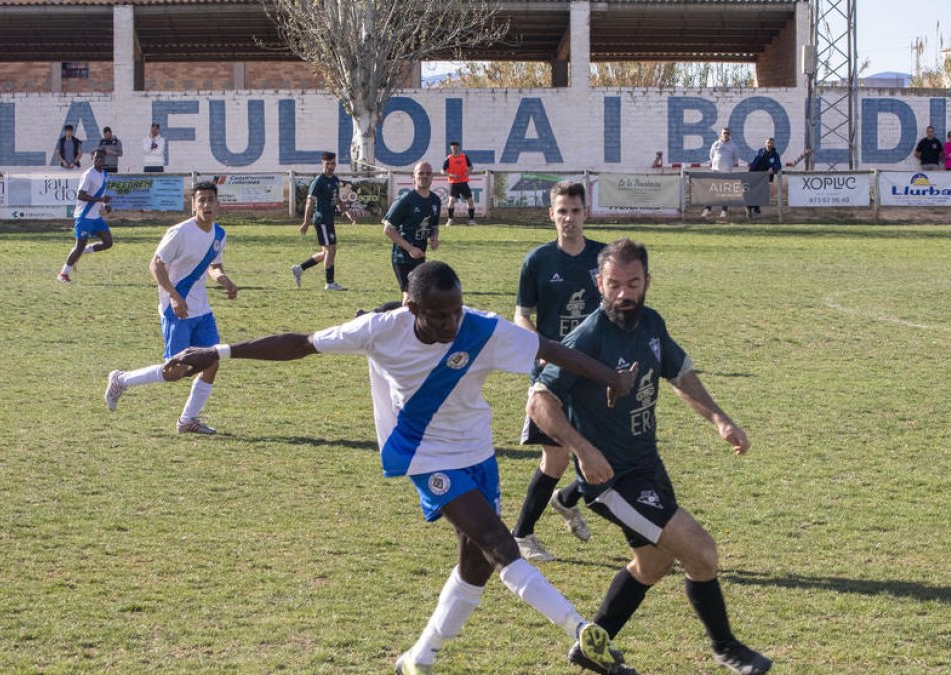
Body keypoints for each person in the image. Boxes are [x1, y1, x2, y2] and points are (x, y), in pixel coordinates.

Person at [165, 260, 639, 675]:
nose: (451, 322)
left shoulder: (482, 328)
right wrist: (218, 352)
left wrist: (611, 377)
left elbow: (548, 349)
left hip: (476, 452)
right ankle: (582, 632)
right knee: (498, 543)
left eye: (456, 310)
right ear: (412, 308)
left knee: (475, 564)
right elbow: (301, 344)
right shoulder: (380, 329)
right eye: (439, 314)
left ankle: (418, 658)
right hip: (422, 454)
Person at [529, 238, 773, 675]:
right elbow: (540, 400)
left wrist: (719, 419)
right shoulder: (588, 337)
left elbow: (680, 375)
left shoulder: (652, 324)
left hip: (647, 467)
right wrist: (583, 451)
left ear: (647, 281)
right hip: (612, 480)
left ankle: (592, 645)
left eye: (633, 283)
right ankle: (726, 647)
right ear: (599, 284)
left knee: (654, 563)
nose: (624, 293)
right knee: (701, 551)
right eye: (614, 284)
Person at [511, 181, 605, 563]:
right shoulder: (538, 260)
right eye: (562, 211)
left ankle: (566, 498)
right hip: (552, 373)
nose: (569, 218)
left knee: (611, 447)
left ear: (587, 213)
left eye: (575, 211)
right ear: (551, 214)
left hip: (595, 369)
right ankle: (522, 535)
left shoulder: (604, 257)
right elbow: (521, 315)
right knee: (557, 457)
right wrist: (540, 348)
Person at [103, 181, 238, 435]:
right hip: (176, 309)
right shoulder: (179, 232)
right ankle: (121, 379)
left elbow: (213, 266)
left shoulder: (219, 234)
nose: (206, 205)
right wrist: (174, 296)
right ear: (193, 204)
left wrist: (224, 280)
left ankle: (187, 420)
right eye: (201, 200)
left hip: (202, 310)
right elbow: (156, 265)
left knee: (212, 361)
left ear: (218, 204)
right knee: (175, 371)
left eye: (210, 199)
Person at [383, 161, 440, 303]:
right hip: (403, 256)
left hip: (420, 255)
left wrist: (434, 237)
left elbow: (434, 226)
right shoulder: (405, 200)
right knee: (410, 297)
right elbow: (388, 229)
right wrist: (410, 248)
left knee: (418, 297)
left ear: (432, 177)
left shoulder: (435, 201)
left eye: (428, 173)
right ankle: (377, 313)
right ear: (413, 176)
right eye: (421, 173)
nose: (424, 176)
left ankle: (374, 312)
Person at [291, 151, 348, 291]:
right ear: (322, 164)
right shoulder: (319, 181)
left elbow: (336, 198)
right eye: (327, 164)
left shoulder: (335, 180)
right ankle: (330, 283)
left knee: (329, 251)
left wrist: (346, 212)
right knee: (330, 251)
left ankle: (300, 268)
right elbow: (309, 202)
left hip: (329, 220)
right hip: (321, 220)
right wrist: (306, 222)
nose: (330, 166)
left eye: (332, 163)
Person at [57, 149, 114, 283]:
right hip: (83, 216)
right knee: (79, 246)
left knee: (108, 242)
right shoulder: (88, 174)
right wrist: (101, 200)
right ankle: (63, 274)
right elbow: (81, 195)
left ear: (105, 159)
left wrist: (104, 206)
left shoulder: (104, 174)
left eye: (101, 157)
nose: (99, 159)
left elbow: (99, 195)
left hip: (95, 217)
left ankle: (84, 251)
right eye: (96, 157)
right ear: (92, 159)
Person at [701, 127, 740, 220]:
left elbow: (736, 158)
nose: (726, 135)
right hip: (715, 171)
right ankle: (708, 209)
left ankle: (724, 210)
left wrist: (728, 165)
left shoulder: (733, 146)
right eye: (724, 133)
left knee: (724, 192)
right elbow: (711, 155)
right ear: (721, 134)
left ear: (729, 135)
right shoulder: (716, 144)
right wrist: (716, 163)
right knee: (712, 191)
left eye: (727, 133)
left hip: (726, 172)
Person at [746, 137, 782, 217]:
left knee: (760, 192)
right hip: (756, 175)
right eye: (768, 143)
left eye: (771, 143)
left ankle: (756, 208)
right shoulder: (760, 152)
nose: (769, 144)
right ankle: (750, 208)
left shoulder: (775, 155)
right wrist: (750, 174)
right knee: (753, 191)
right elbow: (754, 163)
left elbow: (779, 165)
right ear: (765, 144)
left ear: (773, 144)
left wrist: (773, 168)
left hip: (766, 177)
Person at [442, 141, 476, 226]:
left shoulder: (464, 156)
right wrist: (451, 175)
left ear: (459, 148)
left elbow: (471, 167)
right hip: (453, 183)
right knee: (451, 201)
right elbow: (442, 171)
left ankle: (471, 220)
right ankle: (450, 220)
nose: (455, 150)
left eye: (456, 148)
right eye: (453, 148)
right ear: (451, 149)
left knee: (470, 200)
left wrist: (468, 172)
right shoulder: (449, 158)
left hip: (463, 182)